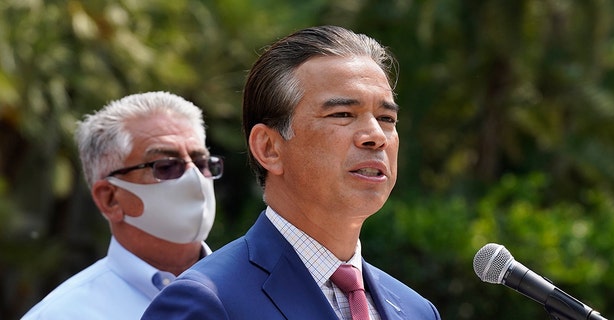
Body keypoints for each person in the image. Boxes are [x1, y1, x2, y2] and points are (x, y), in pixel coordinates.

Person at [142, 25, 440, 320]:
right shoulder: (206, 303)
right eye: (342, 114)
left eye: (387, 118)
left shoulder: (418, 311)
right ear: (269, 148)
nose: (376, 135)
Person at [22, 91, 223, 320]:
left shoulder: (257, 288)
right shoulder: (62, 315)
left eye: (201, 163)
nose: (194, 177)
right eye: (166, 166)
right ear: (110, 199)